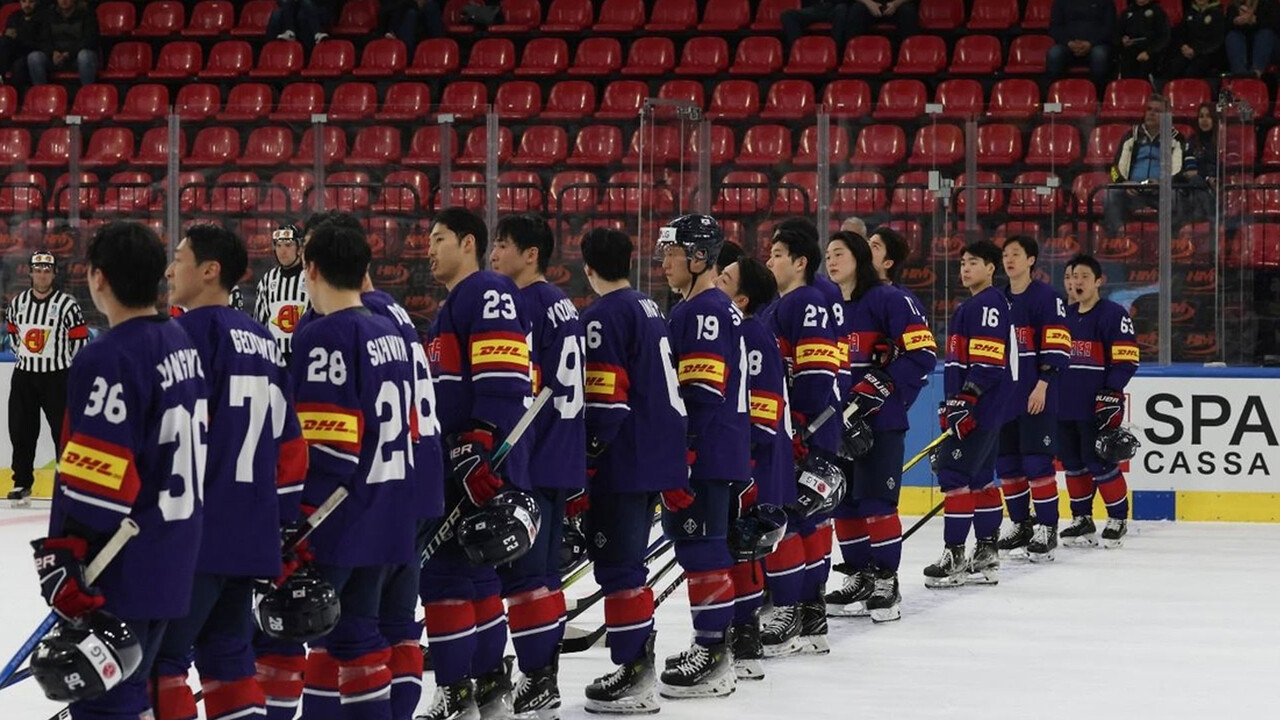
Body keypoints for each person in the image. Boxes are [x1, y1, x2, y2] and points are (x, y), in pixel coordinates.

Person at [31, 221, 205, 719]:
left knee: (104, 705)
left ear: (97, 278)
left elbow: (99, 479)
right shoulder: (180, 341)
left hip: (119, 564)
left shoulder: (108, 356)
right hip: (172, 551)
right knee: (133, 694)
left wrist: (67, 554)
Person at [152, 224, 307, 720]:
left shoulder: (186, 335)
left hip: (196, 534)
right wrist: (281, 520)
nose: (170, 269)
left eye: (179, 258)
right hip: (251, 534)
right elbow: (290, 444)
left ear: (210, 270)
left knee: (164, 664)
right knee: (230, 663)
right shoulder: (263, 340)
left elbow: (175, 438)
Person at [289, 221, 419, 719]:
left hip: (339, 520)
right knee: (359, 639)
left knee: (313, 636)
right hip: (387, 510)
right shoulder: (388, 329)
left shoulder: (324, 335)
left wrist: (297, 522)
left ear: (312, 268)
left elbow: (330, 450)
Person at [421, 207, 535, 720]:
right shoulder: (456, 302)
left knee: (445, 576)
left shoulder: (484, 290)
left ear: (468, 242)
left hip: (476, 460)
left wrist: (477, 443)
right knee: (478, 571)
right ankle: (488, 684)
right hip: (466, 458)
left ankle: (456, 691)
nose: (429, 248)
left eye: (439, 238)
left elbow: (504, 373)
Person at [578, 227, 689, 715]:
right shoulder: (649, 306)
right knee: (631, 567)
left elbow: (607, 401)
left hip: (624, 463)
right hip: (657, 458)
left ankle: (633, 669)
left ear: (587, 267)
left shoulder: (601, 315)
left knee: (619, 568)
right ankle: (636, 657)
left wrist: (586, 460)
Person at [488, 214, 586, 718]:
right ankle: (541, 676)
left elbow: (522, 386)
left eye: (503, 246)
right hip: (562, 453)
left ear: (531, 254)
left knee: (526, 579)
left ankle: (536, 678)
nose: (494, 256)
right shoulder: (565, 305)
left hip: (532, 455)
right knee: (544, 577)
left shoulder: (522, 304)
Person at [655, 214, 750, 698]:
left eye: (672, 252)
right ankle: (715, 646)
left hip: (707, 453)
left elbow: (701, 391)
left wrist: (683, 456)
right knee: (703, 547)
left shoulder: (704, 311)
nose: (664, 261)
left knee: (703, 548)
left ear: (698, 257)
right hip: (717, 449)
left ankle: (713, 653)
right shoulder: (706, 307)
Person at [824, 232, 936, 621]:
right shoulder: (827, 305)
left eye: (839, 254)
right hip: (835, 423)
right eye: (827, 255)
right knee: (845, 504)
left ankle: (886, 580)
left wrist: (880, 385)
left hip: (880, 422)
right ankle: (859, 576)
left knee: (876, 503)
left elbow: (923, 353)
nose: (831, 261)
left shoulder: (891, 299)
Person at [762, 228, 842, 657]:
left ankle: (790, 609)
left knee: (793, 518)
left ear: (800, 262)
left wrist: (799, 427)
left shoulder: (804, 302)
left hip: (804, 431)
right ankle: (811, 612)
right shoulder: (789, 304)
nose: (770, 261)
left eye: (777, 254)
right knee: (811, 520)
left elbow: (814, 373)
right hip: (809, 429)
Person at [714, 256, 788, 681]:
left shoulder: (751, 333)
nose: (716, 280)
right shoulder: (736, 328)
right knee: (733, 550)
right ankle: (738, 636)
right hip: (740, 459)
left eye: (724, 278)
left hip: (748, 464)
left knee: (741, 549)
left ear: (741, 298)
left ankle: (743, 641)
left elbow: (762, 408)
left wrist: (745, 462)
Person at [924, 241, 1013, 588]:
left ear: (991, 268)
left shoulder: (988, 303)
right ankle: (987, 552)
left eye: (973, 263)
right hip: (984, 408)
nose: (965, 269)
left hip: (979, 407)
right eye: (962, 263)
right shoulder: (975, 305)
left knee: (953, 475)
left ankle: (955, 555)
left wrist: (966, 398)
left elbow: (989, 363)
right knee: (981, 479)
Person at [993, 237, 1071, 563]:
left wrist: (1043, 384)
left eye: (1016, 255)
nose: (1009, 260)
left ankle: (1047, 526)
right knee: (1008, 464)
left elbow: (1057, 344)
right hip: (1004, 399)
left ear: (1031, 260)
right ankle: (1021, 523)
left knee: (1037, 462)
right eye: (1005, 255)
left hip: (1035, 394)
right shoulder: (996, 300)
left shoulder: (1047, 298)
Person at [1058, 254, 1140, 548]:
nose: (1074, 282)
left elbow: (1127, 360)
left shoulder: (1113, 314)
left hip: (1095, 406)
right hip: (1062, 405)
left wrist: (1112, 392)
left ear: (1098, 281)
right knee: (1072, 463)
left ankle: (1117, 517)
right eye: (1070, 277)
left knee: (1100, 462)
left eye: (1081, 276)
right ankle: (1081, 519)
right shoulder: (1060, 316)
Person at [5, 251, 88, 506]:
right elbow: (13, 336)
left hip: (57, 378)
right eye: (38, 269)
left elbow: (79, 341)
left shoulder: (68, 305)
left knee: (62, 433)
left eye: (46, 270)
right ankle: (22, 483)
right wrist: (26, 358)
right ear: (30, 272)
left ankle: (68, 484)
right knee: (21, 431)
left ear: (53, 274)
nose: (42, 274)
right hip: (25, 377)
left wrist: (66, 367)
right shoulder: (18, 303)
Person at [1104, 95, 1186, 238]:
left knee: (1175, 197)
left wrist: (1163, 183)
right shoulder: (1131, 135)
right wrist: (1124, 184)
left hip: (1161, 192)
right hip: (1133, 191)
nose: (1151, 113)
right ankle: (1116, 238)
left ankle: (1171, 240)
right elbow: (1114, 168)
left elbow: (1180, 170)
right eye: (1149, 109)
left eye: (1157, 111)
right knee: (1110, 195)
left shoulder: (1176, 138)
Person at [254, 223, 310, 362]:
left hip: (305, 353)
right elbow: (259, 322)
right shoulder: (267, 280)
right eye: (278, 246)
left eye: (288, 245)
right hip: (275, 356)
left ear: (299, 248)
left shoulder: (311, 277)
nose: (282, 251)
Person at [28, 0, 98, 85]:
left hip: (76, 57)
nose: (64, 0)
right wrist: (52, 53)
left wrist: (69, 53)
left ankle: (88, 93)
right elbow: (44, 40)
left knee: (85, 56)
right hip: (55, 57)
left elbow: (89, 40)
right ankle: (41, 94)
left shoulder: (87, 13)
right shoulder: (49, 14)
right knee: (34, 57)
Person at [1047, 0, 1115, 86]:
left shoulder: (1106, 2)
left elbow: (1109, 27)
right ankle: (1056, 92)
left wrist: (1090, 43)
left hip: (1096, 44)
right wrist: (1068, 42)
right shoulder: (1061, 2)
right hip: (1068, 46)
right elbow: (1055, 28)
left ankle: (1099, 94)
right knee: (1054, 54)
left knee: (1099, 54)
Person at [1167, 0, 1226, 80]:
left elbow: (1217, 41)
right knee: (1174, 68)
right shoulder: (1190, 12)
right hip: (1188, 50)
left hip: (1207, 53)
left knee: (1191, 73)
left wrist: (1196, 51)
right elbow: (1181, 33)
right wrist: (1183, 46)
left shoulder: (1217, 13)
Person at [1181, 102, 1220, 222]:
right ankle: (1213, 219)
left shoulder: (1222, 140)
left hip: (1219, 187)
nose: (1204, 120)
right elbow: (1191, 171)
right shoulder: (1192, 141)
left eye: (1208, 116)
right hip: (1200, 185)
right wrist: (1208, 178)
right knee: (1195, 181)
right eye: (1201, 116)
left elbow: (1224, 165)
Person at [1117, 0, 1171, 81]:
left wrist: (1149, 52)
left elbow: (1164, 37)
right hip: (1130, 49)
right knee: (1126, 64)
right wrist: (1123, 40)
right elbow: (1118, 33)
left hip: (1152, 51)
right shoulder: (1127, 11)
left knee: (1144, 68)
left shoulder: (1158, 11)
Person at [780, 0, 854, 57]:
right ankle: (798, 52)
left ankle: (834, 51)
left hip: (834, 7)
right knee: (787, 15)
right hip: (816, 8)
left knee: (842, 9)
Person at [1225, 0, 1278, 78]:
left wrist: (1255, 20)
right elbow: (1225, 28)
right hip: (1246, 47)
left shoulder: (1269, 3)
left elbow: (1275, 25)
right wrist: (1237, 22)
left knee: (1265, 33)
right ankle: (1240, 73)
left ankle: (1256, 71)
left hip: (1268, 47)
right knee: (1233, 36)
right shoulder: (1234, 6)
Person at [1, 0, 43, 86]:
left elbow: (40, 41)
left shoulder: (42, 17)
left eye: (31, 2)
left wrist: (19, 35)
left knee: (18, 66)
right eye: (24, 1)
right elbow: (8, 35)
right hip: (14, 51)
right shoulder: (14, 16)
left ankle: (15, 95)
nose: (27, 5)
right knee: (4, 42)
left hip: (31, 52)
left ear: (36, 2)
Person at [848, 0, 919, 39]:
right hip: (870, 7)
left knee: (908, 11)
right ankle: (854, 53)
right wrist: (868, 3)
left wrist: (895, 4)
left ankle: (910, 54)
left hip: (896, 7)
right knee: (857, 9)